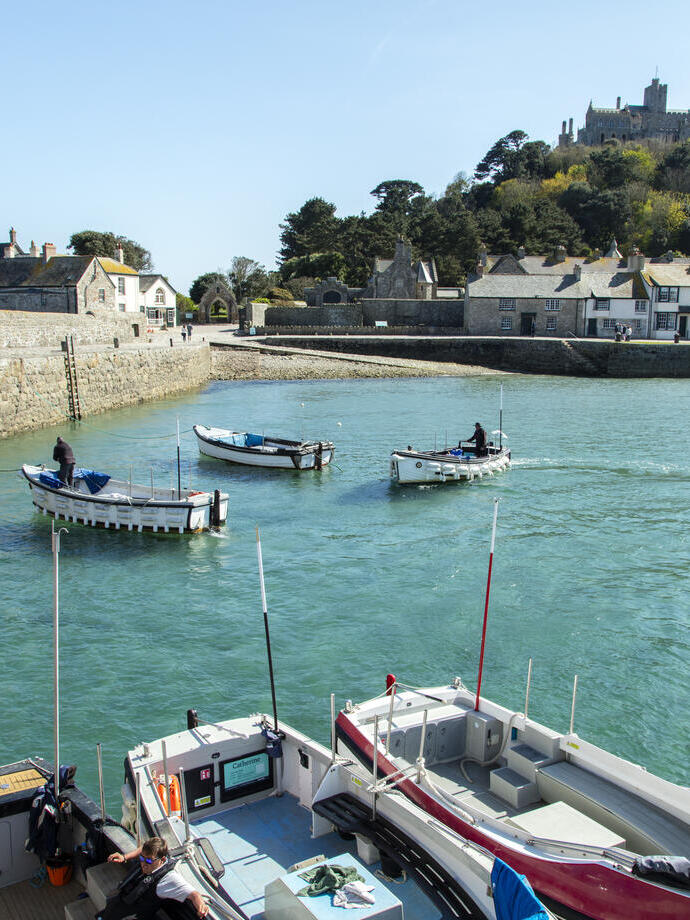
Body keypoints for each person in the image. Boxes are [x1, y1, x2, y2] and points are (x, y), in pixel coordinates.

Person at [98, 836, 209, 919]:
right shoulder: (147, 857)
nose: (144, 864)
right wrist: (124, 856)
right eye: (142, 859)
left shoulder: (169, 879)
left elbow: (194, 894)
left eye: (149, 860)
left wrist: (201, 906)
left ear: (163, 860)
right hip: (121, 902)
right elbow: (142, 849)